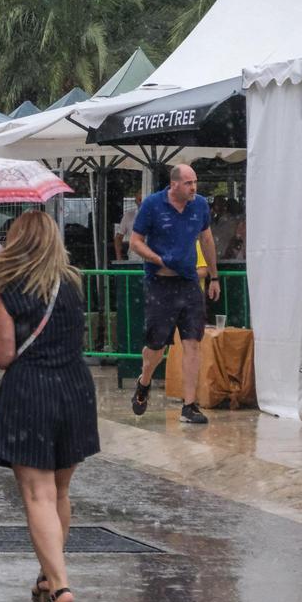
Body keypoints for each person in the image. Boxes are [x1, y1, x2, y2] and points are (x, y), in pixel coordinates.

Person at [0, 210, 99, 602]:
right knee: (60, 492)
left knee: (38, 495)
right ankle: (47, 577)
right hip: (75, 390)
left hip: (31, 393)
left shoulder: (9, 288)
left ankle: (60, 584)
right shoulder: (72, 284)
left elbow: (3, 354)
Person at [129, 164, 220, 425]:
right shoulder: (153, 205)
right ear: (174, 184)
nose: (194, 188)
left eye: (195, 182)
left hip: (190, 282)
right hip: (160, 283)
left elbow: (207, 240)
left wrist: (214, 276)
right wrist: (158, 259)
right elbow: (135, 242)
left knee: (192, 342)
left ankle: (189, 406)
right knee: (156, 347)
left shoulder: (200, 205)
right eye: (189, 183)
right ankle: (144, 381)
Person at [113, 194, 142, 262]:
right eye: (140, 200)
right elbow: (118, 237)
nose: (142, 202)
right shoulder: (129, 215)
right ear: (136, 201)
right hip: (135, 258)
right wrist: (119, 259)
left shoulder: (157, 215)